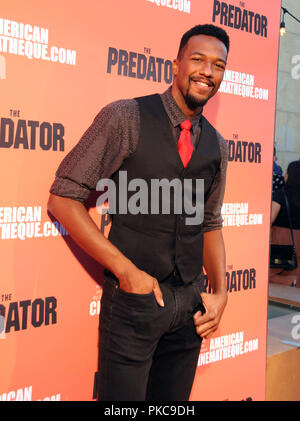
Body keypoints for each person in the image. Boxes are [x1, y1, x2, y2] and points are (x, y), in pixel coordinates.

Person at [47, 24, 230, 401]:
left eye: (218, 65)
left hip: (191, 310)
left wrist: (221, 292)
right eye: (197, 59)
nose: (207, 72)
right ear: (176, 65)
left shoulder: (216, 144)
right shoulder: (127, 117)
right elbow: (63, 197)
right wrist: (127, 272)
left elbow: (210, 222)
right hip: (136, 303)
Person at [270, 160, 300, 287]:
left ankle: (287, 281)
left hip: (282, 238)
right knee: (296, 269)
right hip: (298, 239)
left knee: (269, 272)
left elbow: (270, 218)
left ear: (289, 175)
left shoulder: (281, 194)